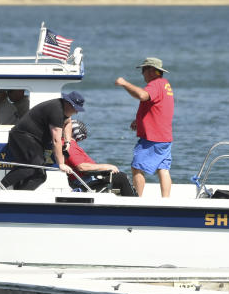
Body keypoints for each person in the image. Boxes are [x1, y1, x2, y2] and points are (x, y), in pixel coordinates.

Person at [114, 57, 174, 197]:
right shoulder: (165, 84)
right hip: (164, 137)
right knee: (163, 169)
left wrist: (124, 83)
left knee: (137, 167)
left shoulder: (155, 84)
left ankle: (138, 200)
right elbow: (157, 106)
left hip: (153, 138)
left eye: (143, 70)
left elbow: (142, 95)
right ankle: (166, 200)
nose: (142, 74)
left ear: (152, 71)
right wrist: (139, 120)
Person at [0, 91, 84, 191]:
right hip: (22, 136)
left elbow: (68, 122)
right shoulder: (56, 110)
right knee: (33, 166)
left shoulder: (64, 109)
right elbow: (56, 140)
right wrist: (61, 163)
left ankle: (20, 195)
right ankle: (1, 187)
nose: (77, 112)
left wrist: (67, 141)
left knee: (40, 176)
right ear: (68, 103)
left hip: (34, 140)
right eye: (75, 109)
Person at [63, 120, 136, 196]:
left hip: (87, 176)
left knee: (120, 177)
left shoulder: (68, 144)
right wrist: (106, 167)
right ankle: (133, 203)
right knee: (122, 177)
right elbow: (81, 167)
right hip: (85, 180)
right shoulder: (70, 146)